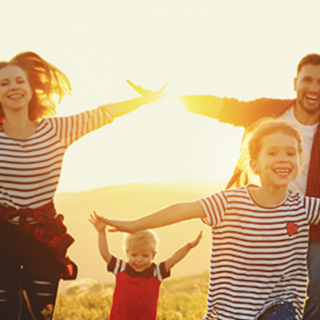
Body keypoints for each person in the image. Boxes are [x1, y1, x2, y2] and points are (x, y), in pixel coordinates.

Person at [127, 53, 320, 320]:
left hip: (306, 219)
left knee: (313, 291)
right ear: (295, 82)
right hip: (256, 218)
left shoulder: (307, 207)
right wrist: (164, 99)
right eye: (308, 80)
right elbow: (221, 106)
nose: (314, 88)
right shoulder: (269, 112)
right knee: (244, 293)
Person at [98, 118, 320, 320]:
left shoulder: (304, 207)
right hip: (229, 311)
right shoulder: (228, 203)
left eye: (291, 153)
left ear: (299, 161)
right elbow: (182, 210)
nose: (283, 159)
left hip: (281, 305)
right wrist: (134, 225)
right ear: (254, 164)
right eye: (272, 153)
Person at [0, 51, 164, 320]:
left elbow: (103, 114)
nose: (13, 87)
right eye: (3, 83)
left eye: (19, 81)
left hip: (44, 235)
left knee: (41, 313)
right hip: (2, 234)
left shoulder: (56, 130)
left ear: (31, 88)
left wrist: (144, 99)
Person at [89, 211, 202, 320]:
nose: (139, 260)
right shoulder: (121, 267)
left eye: (145, 255)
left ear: (153, 256)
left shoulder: (156, 272)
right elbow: (105, 254)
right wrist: (101, 232)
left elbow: (173, 260)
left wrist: (188, 246)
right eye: (134, 255)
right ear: (126, 253)